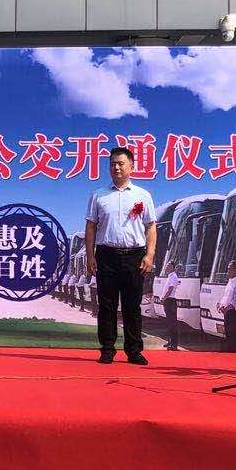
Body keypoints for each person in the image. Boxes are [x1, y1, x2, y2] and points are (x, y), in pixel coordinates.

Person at [84, 147, 156, 366]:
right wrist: (90, 256)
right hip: (106, 255)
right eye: (112, 164)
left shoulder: (142, 195)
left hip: (134, 256)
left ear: (131, 167)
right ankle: (107, 349)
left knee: (132, 306)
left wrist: (150, 254)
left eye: (121, 163)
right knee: (106, 305)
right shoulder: (98, 195)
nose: (116, 167)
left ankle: (134, 351)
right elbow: (91, 227)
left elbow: (150, 226)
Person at [159, 260, 182, 351]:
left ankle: (174, 344)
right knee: (169, 322)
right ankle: (170, 341)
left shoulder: (173, 276)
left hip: (170, 301)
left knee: (173, 323)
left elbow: (170, 289)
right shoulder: (169, 276)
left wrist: (164, 298)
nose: (167, 267)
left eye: (168, 266)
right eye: (167, 265)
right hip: (168, 301)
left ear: (173, 267)